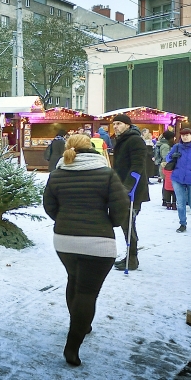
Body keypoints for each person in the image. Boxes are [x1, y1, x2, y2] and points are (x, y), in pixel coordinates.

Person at [43, 134, 130, 367]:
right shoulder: (107, 174)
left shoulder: (57, 174)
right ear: (92, 149)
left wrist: (65, 220)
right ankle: (73, 345)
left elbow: (49, 206)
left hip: (64, 240)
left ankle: (80, 322)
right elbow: (121, 210)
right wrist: (107, 222)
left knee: (74, 279)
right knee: (87, 292)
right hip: (98, 243)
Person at [109, 113, 150, 271]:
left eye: (119, 124)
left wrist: (128, 187)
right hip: (122, 187)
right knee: (126, 224)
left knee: (128, 223)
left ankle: (132, 258)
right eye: (114, 124)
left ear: (127, 125)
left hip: (133, 190)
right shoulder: (121, 140)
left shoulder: (134, 140)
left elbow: (137, 165)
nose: (116, 127)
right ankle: (131, 256)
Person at [166, 129, 191, 232]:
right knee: (180, 203)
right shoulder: (177, 147)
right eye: (182, 135)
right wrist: (172, 156)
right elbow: (168, 157)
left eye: (187, 135)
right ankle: (182, 224)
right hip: (178, 178)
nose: (184, 137)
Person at [154, 130, 176, 209]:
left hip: (166, 166)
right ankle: (166, 200)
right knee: (167, 185)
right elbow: (166, 157)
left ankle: (166, 200)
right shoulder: (165, 146)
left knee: (166, 184)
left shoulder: (163, 144)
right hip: (166, 167)